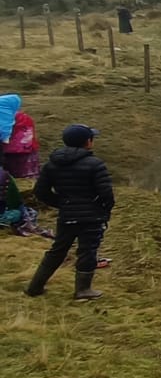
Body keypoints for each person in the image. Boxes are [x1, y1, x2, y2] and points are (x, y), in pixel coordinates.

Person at [24, 125, 114, 300]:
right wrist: (103, 210)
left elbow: (41, 192)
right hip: (91, 217)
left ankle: (35, 287)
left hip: (67, 215)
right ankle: (83, 290)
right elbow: (106, 194)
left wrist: (62, 204)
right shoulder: (95, 164)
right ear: (88, 142)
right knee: (88, 251)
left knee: (58, 250)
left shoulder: (52, 164)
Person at [3, 106, 40, 179]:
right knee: (29, 176)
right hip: (27, 149)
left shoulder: (4, 117)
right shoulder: (24, 116)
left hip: (8, 151)